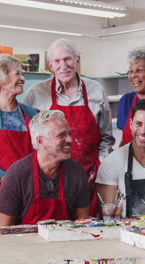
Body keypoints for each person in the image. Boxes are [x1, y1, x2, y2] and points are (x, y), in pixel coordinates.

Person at [23, 38, 115, 216]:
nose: (63, 66)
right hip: (50, 180)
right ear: (50, 65)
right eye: (57, 61)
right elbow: (29, 139)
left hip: (90, 177)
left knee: (88, 228)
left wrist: (100, 167)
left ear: (77, 60)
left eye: (68, 59)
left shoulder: (96, 90)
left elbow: (107, 138)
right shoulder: (36, 93)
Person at [0, 110, 89, 225]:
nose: (70, 140)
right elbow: (4, 229)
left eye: (69, 134)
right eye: (62, 135)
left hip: (65, 240)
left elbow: (83, 224)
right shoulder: (16, 175)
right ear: (40, 140)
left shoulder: (77, 173)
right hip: (24, 242)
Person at [0, 54, 38, 226]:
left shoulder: (32, 114)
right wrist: (13, 182)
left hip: (31, 190)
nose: (23, 79)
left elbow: (42, 151)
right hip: (0, 192)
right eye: (17, 73)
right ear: (0, 77)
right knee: (3, 244)